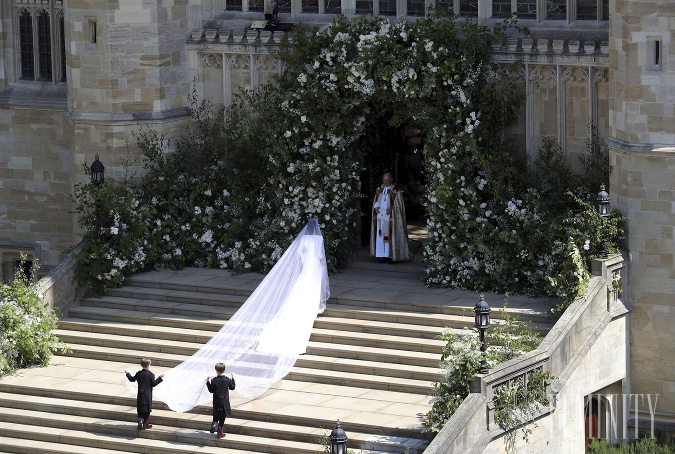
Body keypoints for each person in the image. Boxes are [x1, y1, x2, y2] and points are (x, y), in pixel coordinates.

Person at [370, 172, 413, 263]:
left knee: (390, 236)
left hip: (391, 218)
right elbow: (376, 200)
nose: (385, 182)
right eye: (384, 180)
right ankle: (383, 255)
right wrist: (376, 207)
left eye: (387, 181)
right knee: (381, 237)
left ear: (391, 180)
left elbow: (399, 205)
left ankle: (392, 255)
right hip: (381, 217)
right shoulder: (379, 189)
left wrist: (392, 209)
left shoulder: (395, 190)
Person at [124, 358, 164, 430]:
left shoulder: (139, 373)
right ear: (148, 365)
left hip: (140, 394)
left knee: (140, 408)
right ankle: (146, 424)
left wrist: (127, 373)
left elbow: (131, 379)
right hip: (147, 394)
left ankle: (140, 420)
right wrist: (160, 378)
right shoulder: (151, 375)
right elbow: (154, 384)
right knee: (147, 409)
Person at [206, 363, 236, 439]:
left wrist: (207, 382)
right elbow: (232, 387)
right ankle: (220, 433)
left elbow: (211, 390)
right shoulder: (227, 380)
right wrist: (233, 379)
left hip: (216, 401)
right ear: (224, 370)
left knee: (216, 415)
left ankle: (214, 423)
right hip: (224, 402)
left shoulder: (214, 380)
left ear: (216, 370)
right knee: (222, 418)